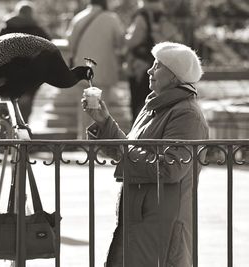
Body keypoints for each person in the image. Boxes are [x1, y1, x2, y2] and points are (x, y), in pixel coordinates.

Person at [82, 42, 209, 266]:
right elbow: (128, 150)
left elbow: (170, 168)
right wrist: (104, 123)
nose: (150, 71)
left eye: (157, 66)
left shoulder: (186, 114)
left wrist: (122, 148)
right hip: (141, 216)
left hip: (162, 222)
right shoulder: (155, 106)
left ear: (174, 76)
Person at [66, 0, 124, 138]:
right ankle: (101, 144)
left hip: (82, 72)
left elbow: (70, 42)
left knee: (84, 111)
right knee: (103, 111)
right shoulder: (112, 18)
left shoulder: (79, 18)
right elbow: (120, 42)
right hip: (105, 71)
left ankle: (85, 143)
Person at [125, 0, 181, 123]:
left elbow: (133, 40)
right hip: (163, 67)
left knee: (139, 102)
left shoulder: (142, 16)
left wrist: (124, 38)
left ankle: (140, 134)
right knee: (159, 100)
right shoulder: (163, 16)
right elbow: (175, 39)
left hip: (141, 67)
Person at [0, 0, 51, 123]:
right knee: (24, 118)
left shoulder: (6, 29)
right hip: (29, 80)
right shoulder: (38, 31)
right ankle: (23, 139)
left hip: (8, 79)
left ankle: (8, 139)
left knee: (6, 117)